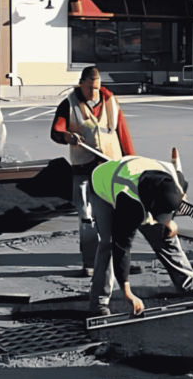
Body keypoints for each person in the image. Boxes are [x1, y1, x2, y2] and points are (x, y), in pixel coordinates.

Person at [87, 153, 193, 317]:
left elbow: (176, 195)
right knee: (108, 244)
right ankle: (99, 303)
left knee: (165, 236)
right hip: (103, 184)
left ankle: (189, 286)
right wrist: (128, 293)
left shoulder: (176, 180)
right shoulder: (129, 202)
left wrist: (169, 221)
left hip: (136, 176)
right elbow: (121, 247)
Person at [50, 66, 136, 274]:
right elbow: (56, 131)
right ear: (81, 83)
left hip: (110, 168)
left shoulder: (111, 102)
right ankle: (90, 263)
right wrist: (67, 137)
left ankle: (121, 262)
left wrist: (131, 162)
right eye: (89, 88)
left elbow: (122, 134)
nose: (93, 93)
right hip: (83, 169)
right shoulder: (68, 105)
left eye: (96, 88)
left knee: (118, 216)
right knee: (86, 218)